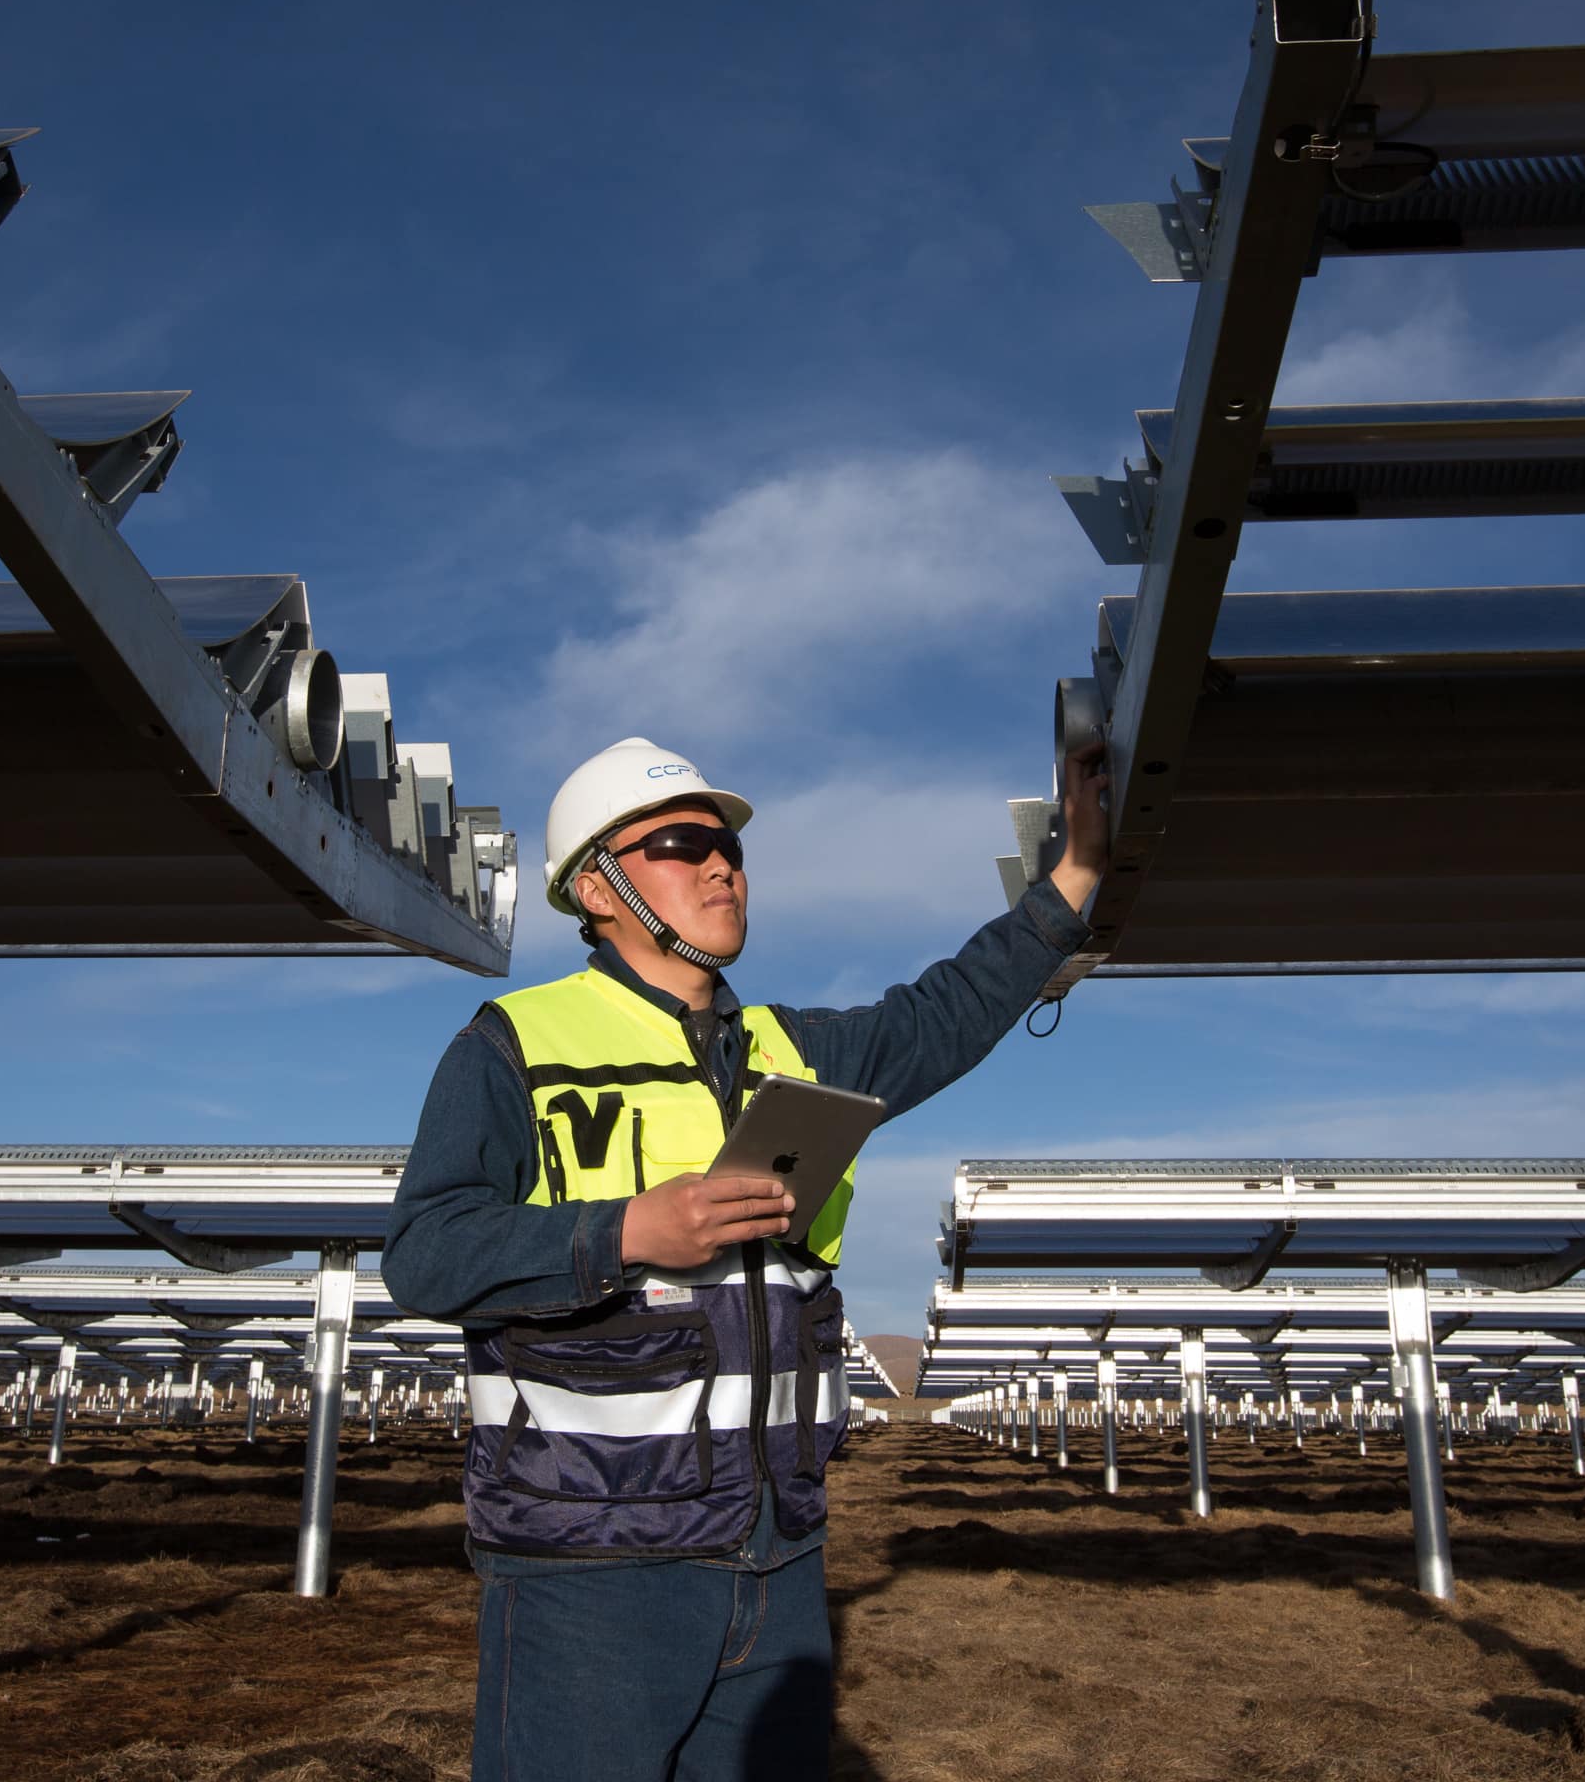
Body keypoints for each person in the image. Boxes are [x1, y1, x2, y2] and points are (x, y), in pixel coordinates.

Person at [383, 734, 1111, 1781]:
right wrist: (628, 1229)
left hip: (780, 1551)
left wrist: (1074, 873)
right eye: (682, 843)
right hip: (591, 1564)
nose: (723, 863)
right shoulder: (512, 1045)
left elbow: (945, 1012)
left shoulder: (790, 1047)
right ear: (597, 884)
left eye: (727, 844)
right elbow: (424, 1249)